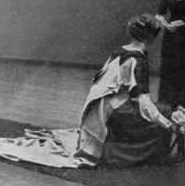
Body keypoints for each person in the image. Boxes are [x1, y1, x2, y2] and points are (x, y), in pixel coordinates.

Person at [75, 14, 177, 166]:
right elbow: (144, 102)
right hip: (114, 111)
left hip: (99, 110)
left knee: (158, 110)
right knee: (165, 111)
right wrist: (166, 123)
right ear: (151, 37)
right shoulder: (138, 60)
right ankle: (155, 157)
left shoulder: (120, 52)